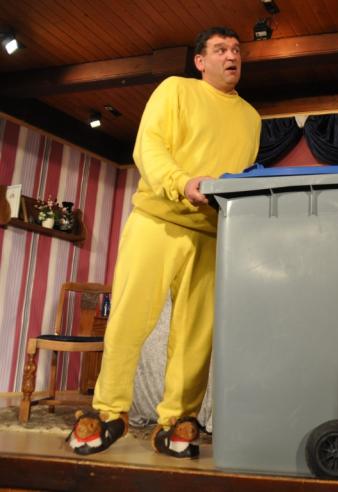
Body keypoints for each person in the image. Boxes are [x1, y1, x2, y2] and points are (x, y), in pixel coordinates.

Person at [67, 26, 261, 458]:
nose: (232, 56)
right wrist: (181, 182)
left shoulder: (251, 118)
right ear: (200, 61)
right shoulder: (176, 89)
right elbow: (149, 147)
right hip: (157, 219)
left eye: (236, 50)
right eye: (220, 49)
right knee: (129, 317)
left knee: (196, 334)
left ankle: (177, 421)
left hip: (212, 233)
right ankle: (108, 411)